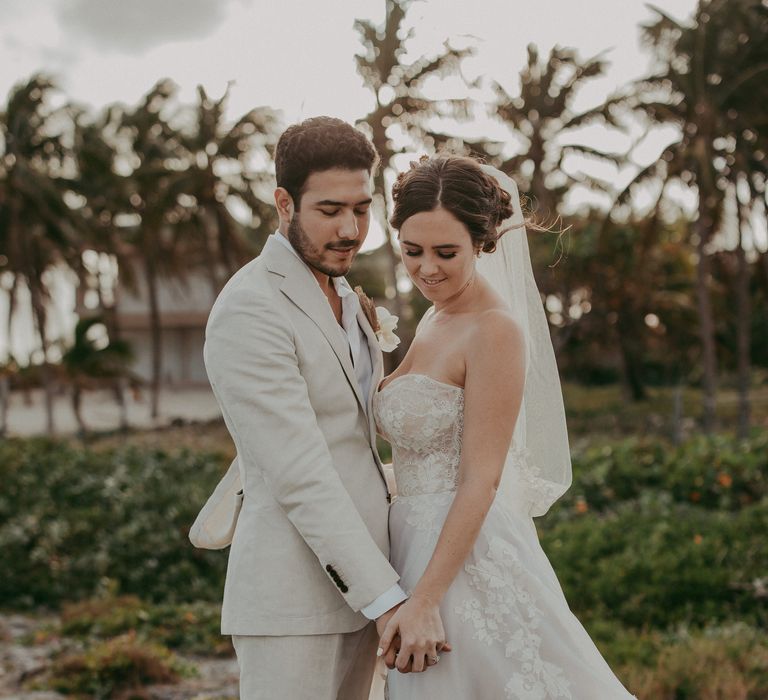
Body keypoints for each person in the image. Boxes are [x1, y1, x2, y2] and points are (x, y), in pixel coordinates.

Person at [196, 117, 445, 699]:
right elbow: (301, 472)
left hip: (370, 585)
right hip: (294, 602)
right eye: (330, 210)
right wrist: (385, 599)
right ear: (284, 203)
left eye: (361, 209)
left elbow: (354, 445)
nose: (351, 229)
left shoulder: (341, 295)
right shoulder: (251, 310)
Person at [373, 154, 637, 698]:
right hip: (410, 542)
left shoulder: (494, 330)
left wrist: (424, 599)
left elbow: (480, 478)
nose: (427, 269)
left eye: (446, 253)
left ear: (483, 242)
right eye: (411, 250)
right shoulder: (435, 315)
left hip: (460, 558)